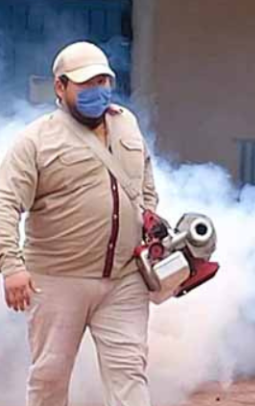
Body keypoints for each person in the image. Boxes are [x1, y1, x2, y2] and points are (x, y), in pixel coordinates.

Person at [0, 41, 158, 406]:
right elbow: (5, 202)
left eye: (103, 81)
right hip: (57, 279)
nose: (98, 91)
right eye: (87, 84)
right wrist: (11, 267)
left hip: (124, 277)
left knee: (130, 371)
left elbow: (145, 179)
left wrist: (149, 218)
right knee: (50, 377)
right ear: (61, 86)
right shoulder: (36, 140)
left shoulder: (126, 123)